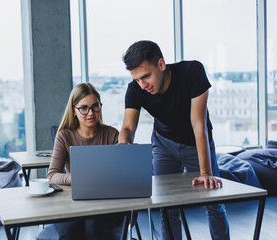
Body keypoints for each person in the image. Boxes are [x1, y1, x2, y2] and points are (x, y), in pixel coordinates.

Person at [118, 40, 230, 240]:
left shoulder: (192, 72)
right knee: (167, 206)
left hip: (196, 142)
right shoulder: (136, 89)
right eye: (137, 79)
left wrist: (205, 173)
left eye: (146, 76)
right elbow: (127, 128)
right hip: (164, 144)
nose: (142, 85)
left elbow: (198, 123)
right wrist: (123, 146)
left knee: (214, 202)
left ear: (161, 64)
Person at [47, 82, 121, 240]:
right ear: (74, 110)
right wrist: (77, 179)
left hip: (105, 201)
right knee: (70, 229)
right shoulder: (65, 136)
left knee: (93, 227)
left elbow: (122, 174)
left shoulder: (112, 134)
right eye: (83, 108)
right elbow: (52, 175)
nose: (91, 113)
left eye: (95, 106)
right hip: (75, 201)